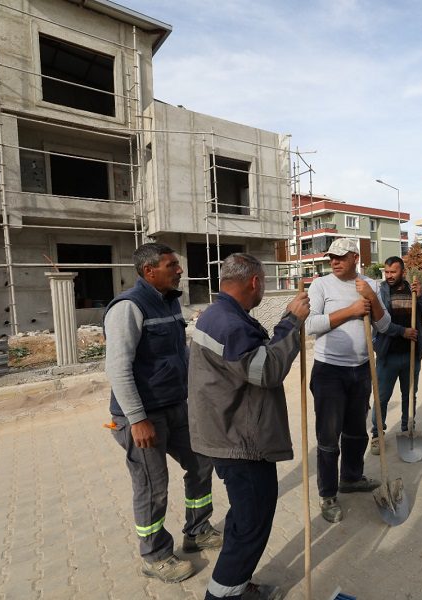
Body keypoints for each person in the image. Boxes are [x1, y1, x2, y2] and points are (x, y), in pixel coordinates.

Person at [188, 253, 310, 600]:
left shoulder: (219, 314)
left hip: (227, 432)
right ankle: (224, 593)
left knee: (248, 517)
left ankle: (237, 584)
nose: (264, 289)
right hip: (239, 442)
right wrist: (291, 322)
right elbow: (265, 372)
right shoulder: (228, 323)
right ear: (254, 282)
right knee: (249, 525)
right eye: (264, 283)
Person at [104, 243, 221, 583]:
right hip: (143, 416)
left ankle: (197, 530)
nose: (179, 270)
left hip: (176, 406)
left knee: (201, 463)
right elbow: (118, 368)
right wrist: (137, 419)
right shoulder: (128, 307)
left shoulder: (170, 302)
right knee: (153, 486)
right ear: (150, 271)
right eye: (172, 265)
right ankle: (155, 555)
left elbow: (178, 354)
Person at [305, 238, 391, 523]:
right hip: (329, 371)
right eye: (331, 257)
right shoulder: (321, 285)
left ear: (355, 257)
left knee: (356, 431)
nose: (334, 262)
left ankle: (351, 477)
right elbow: (310, 325)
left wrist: (372, 298)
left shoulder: (370, 285)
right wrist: (351, 311)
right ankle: (327, 494)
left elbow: (384, 325)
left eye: (341, 257)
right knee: (329, 436)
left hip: (362, 368)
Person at [369, 256, 422, 454]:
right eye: (387, 272)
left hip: (411, 354)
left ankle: (408, 430)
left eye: (393, 272)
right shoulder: (379, 292)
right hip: (387, 354)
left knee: (409, 395)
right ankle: (376, 434)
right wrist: (402, 331)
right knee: (382, 397)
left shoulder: (413, 290)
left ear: (402, 271)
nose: (389, 276)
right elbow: (378, 322)